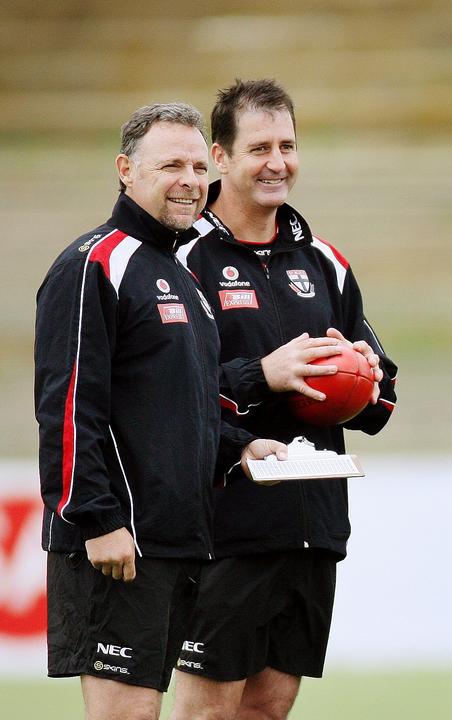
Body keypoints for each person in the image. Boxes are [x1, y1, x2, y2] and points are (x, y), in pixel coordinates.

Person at [35, 103, 285, 720]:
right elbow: (67, 403)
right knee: (128, 714)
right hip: (119, 540)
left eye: (200, 166)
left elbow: (184, 401)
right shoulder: (97, 264)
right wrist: (95, 519)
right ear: (126, 170)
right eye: (171, 164)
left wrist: (237, 446)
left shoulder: (178, 273)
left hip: (178, 539)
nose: (191, 180)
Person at [168, 79, 397, 720]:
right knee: (206, 710)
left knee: (270, 705)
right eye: (259, 147)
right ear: (221, 157)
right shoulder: (183, 260)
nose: (278, 162)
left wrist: (363, 379)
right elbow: (166, 396)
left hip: (311, 520)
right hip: (222, 524)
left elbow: (383, 395)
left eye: (288, 146)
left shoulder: (324, 261)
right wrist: (261, 375)